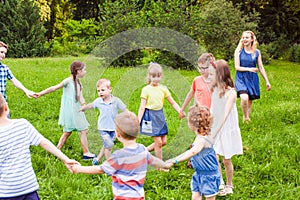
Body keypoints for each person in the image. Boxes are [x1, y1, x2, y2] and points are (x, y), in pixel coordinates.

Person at [72, 111, 170, 200]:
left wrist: (79, 169)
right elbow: (154, 161)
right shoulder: (143, 150)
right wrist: (164, 165)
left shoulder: (119, 156)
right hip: (139, 196)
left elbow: (100, 169)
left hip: (122, 197)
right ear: (138, 132)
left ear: (118, 135)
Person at [0, 93, 78, 199]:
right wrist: (65, 159)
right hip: (28, 188)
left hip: (5, 193)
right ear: (6, 108)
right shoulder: (22, 125)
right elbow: (44, 142)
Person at [34, 61, 95, 160]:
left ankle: (57, 151)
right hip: (71, 110)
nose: (85, 72)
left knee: (68, 132)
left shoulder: (78, 82)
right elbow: (54, 88)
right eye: (84, 70)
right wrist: (41, 93)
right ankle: (86, 153)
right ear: (78, 71)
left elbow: (80, 96)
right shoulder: (68, 81)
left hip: (77, 109)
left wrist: (84, 104)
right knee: (83, 130)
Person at [167, 105, 220, 200]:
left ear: (193, 124)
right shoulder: (200, 136)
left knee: (210, 197)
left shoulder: (202, 140)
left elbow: (193, 152)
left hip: (209, 176)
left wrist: (174, 161)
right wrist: (193, 161)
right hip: (198, 173)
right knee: (195, 195)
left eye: (188, 121)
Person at [208, 60, 243, 196]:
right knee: (214, 156)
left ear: (220, 74)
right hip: (215, 127)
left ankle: (230, 184)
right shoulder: (215, 90)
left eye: (212, 74)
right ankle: (220, 181)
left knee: (226, 159)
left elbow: (225, 113)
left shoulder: (232, 93)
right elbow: (213, 109)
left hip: (226, 128)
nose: (210, 77)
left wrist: (215, 129)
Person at [137, 62, 181, 160]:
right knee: (159, 142)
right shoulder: (146, 89)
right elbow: (142, 107)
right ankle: (159, 165)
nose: (156, 79)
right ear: (149, 76)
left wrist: (180, 111)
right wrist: (138, 120)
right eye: (153, 76)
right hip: (150, 116)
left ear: (161, 76)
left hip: (159, 116)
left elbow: (172, 102)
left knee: (164, 141)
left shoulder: (163, 89)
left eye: (158, 76)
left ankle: (142, 152)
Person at [79, 78, 127, 165]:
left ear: (110, 89)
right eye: (98, 91)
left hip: (114, 128)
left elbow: (125, 110)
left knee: (107, 145)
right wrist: (84, 108)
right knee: (109, 145)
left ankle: (97, 159)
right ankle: (110, 165)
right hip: (103, 128)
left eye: (102, 90)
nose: (100, 92)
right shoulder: (98, 101)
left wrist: (130, 117)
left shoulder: (116, 101)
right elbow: (91, 105)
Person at [234, 30, 271, 123]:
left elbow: (261, 67)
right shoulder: (238, 51)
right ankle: (245, 116)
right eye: (243, 37)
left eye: (247, 37)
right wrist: (249, 69)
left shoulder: (257, 52)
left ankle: (246, 119)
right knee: (244, 97)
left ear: (252, 39)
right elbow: (237, 67)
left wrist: (267, 81)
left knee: (249, 100)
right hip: (241, 78)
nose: (244, 39)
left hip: (252, 79)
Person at [179, 53, 215, 119]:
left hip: (212, 113)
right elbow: (190, 94)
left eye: (204, 68)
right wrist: (182, 109)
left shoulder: (215, 81)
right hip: (199, 113)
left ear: (211, 66)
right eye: (199, 68)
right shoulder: (197, 80)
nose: (201, 71)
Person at [0, 41, 35, 106]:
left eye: (5, 53)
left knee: (6, 116)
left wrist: (26, 90)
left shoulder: (4, 68)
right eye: (1, 52)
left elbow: (14, 81)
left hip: (3, 103)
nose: (3, 55)